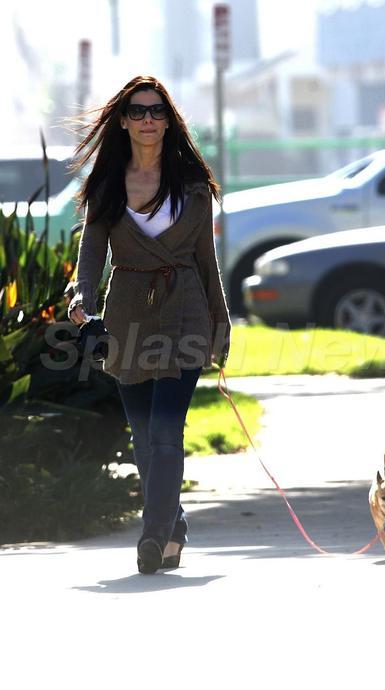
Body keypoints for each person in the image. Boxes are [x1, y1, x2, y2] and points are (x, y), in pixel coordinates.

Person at [67, 75, 231, 575]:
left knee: (165, 430)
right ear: (122, 119)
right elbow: (92, 253)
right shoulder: (108, 183)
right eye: (137, 111)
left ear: (169, 119)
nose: (147, 120)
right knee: (142, 434)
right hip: (126, 316)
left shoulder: (192, 184)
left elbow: (207, 261)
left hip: (184, 312)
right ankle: (174, 524)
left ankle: (153, 533)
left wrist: (220, 324)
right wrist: (81, 299)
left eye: (157, 111)